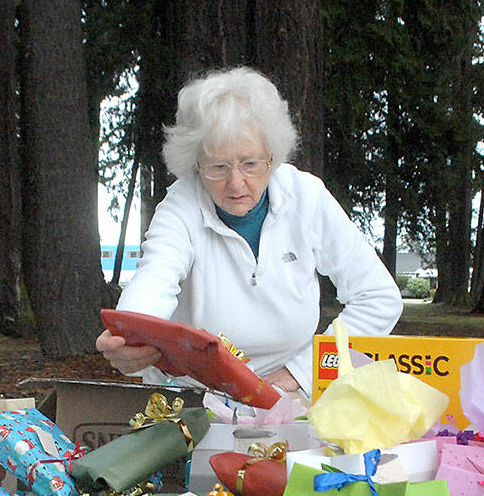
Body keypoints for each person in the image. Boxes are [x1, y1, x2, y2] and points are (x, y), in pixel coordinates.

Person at [96, 66, 403, 398]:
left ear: (273, 157)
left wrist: (301, 372)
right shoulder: (181, 206)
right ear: (196, 164)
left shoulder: (306, 197)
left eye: (251, 164)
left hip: (292, 396)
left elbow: (378, 297)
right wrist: (128, 337)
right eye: (218, 167)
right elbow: (153, 283)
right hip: (197, 398)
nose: (236, 183)